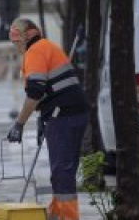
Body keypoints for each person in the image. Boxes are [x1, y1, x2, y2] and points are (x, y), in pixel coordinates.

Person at [7, 18, 89, 220]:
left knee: (62, 172)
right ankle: (56, 214)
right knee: (62, 171)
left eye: (16, 41)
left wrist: (19, 123)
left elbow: (35, 91)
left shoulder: (34, 52)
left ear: (27, 36)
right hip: (68, 113)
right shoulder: (46, 47)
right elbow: (49, 90)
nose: (16, 46)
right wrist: (43, 119)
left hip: (64, 115)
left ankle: (68, 217)